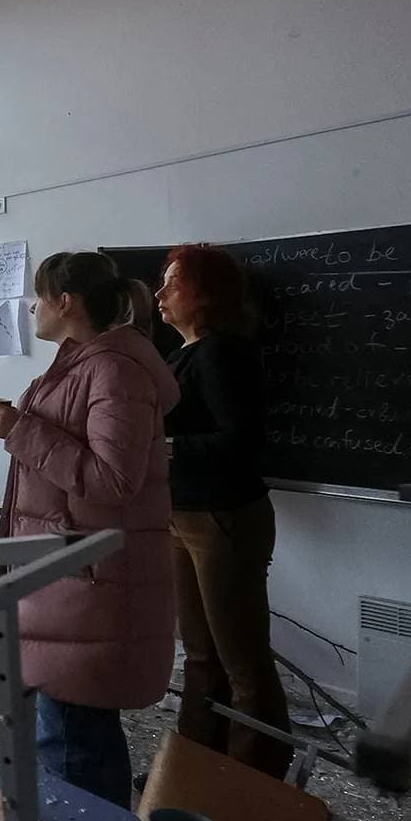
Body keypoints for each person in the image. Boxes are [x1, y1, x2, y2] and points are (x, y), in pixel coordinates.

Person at [0, 251, 178, 808]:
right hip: (70, 578)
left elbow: (114, 479)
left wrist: (19, 429)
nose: (32, 309)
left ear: (66, 302)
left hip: (89, 582)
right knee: (69, 729)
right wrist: (18, 427)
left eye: (39, 297)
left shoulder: (113, 369)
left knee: (72, 739)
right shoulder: (80, 364)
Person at [156, 244, 292, 778]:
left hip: (223, 518)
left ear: (207, 293)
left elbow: (241, 440)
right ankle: (193, 773)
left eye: (173, 282)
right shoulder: (181, 355)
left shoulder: (221, 353)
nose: (161, 293)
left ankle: (252, 783)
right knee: (200, 656)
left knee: (243, 663)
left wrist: (164, 447)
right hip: (185, 514)